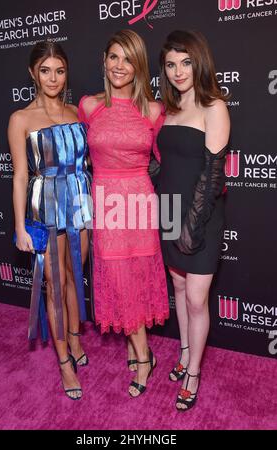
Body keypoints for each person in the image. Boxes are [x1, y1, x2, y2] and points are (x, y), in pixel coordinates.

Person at [78, 29, 169, 397]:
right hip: (105, 203)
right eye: (113, 57)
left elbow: (169, 160)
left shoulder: (154, 110)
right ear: (104, 60)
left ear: (138, 65)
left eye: (127, 59)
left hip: (139, 205)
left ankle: (140, 354)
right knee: (116, 278)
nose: (119, 65)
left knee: (137, 275)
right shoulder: (89, 106)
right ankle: (142, 352)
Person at [8, 41, 92, 400]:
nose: (53, 78)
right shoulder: (21, 119)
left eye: (59, 70)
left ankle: (74, 338)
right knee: (54, 286)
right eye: (45, 70)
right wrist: (19, 226)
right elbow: (20, 176)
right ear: (33, 73)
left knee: (76, 275)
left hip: (79, 205)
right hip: (47, 209)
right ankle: (63, 361)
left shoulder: (77, 112)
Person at [157, 30, 230, 411]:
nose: (178, 71)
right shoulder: (167, 108)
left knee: (198, 298)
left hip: (200, 215)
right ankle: (184, 353)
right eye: (170, 64)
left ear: (198, 61)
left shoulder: (213, 106)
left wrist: (191, 227)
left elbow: (212, 175)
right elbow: (165, 162)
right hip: (169, 208)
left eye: (185, 62)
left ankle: (194, 372)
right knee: (180, 290)